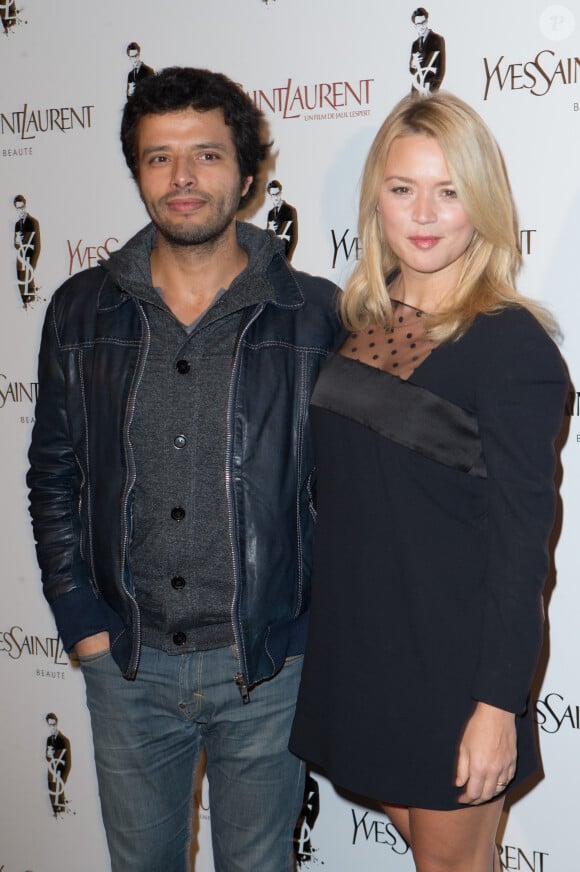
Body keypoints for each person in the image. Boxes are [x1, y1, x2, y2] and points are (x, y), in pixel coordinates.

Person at [27, 66, 342, 872]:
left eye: (205, 154)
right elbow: (54, 472)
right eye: (158, 158)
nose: (183, 178)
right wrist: (80, 619)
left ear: (248, 172)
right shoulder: (79, 309)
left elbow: (349, 493)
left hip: (268, 669)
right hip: (127, 664)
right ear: (137, 173)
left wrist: (307, 632)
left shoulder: (316, 316)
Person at [289, 91, 568, 872]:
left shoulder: (513, 347)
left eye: (449, 191)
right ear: (375, 197)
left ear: (481, 204)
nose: (425, 213)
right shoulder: (355, 326)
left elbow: (522, 547)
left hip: (455, 668)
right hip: (364, 651)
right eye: (403, 187)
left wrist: (495, 707)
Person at [409, 7, 446, 94]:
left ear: (427, 21)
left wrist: (432, 92)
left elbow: (441, 70)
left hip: (430, 89)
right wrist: (413, 64)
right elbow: (412, 71)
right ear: (414, 25)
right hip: (416, 90)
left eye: (423, 23)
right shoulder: (415, 44)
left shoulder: (437, 39)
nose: (421, 26)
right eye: (418, 24)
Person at [13, 194, 41, 308]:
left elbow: (33, 243)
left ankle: (31, 302)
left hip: (31, 253)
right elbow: (16, 244)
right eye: (17, 207)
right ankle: (26, 303)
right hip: (21, 254)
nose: (20, 209)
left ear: (25, 205)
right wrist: (17, 241)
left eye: (21, 206)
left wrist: (20, 241)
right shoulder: (17, 224)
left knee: (27, 277)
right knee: (20, 278)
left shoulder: (32, 222)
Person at [45, 713, 72, 817]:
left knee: (59, 791)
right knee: (51, 789)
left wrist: (63, 777)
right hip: (52, 769)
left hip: (62, 769)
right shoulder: (49, 740)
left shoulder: (64, 740)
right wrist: (49, 754)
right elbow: (48, 757)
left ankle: (62, 812)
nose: (52, 726)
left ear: (56, 722)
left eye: (53, 723)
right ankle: (56, 812)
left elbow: (66, 760)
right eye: (49, 724)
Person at [266, 179, 298, 261]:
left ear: (281, 193)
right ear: (270, 196)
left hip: (284, 256)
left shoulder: (290, 210)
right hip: (272, 257)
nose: (276, 197)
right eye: (273, 195)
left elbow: (294, 238)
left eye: (277, 194)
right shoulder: (270, 214)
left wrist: (287, 259)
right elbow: (267, 238)